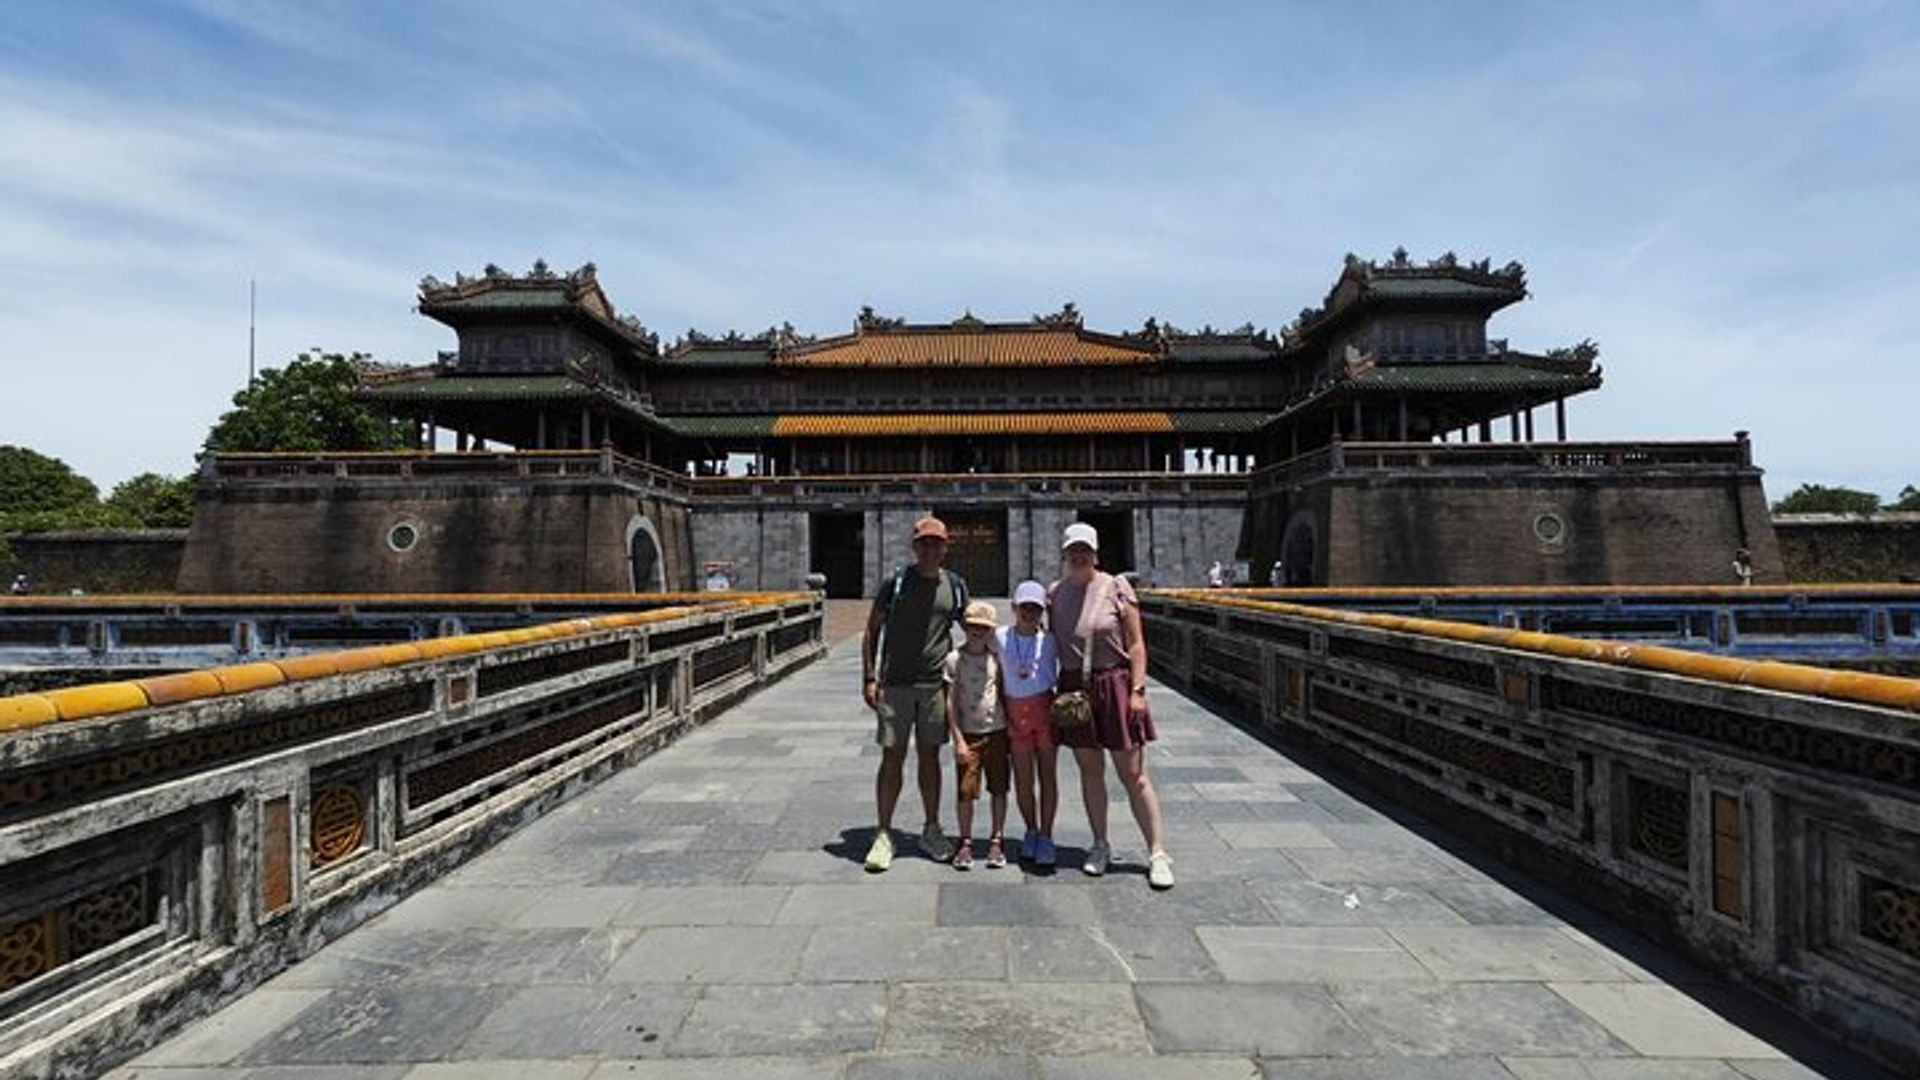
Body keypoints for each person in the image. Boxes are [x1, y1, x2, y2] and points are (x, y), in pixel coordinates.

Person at [1050, 522, 1173, 890]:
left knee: (1133, 774)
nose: (1079, 556)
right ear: (1064, 554)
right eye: (1073, 550)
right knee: (1091, 771)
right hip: (1075, 689)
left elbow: (1136, 644)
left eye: (1085, 550)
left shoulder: (1116, 587)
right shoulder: (1054, 594)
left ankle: (1157, 853)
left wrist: (1138, 690)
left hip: (1116, 683)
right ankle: (1100, 844)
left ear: (1096, 553)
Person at [860, 515, 966, 871]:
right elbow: (872, 630)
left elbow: (974, 628)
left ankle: (931, 827)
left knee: (930, 758)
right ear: (914, 546)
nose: (930, 549)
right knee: (892, 758)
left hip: (934, 685)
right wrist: (870, 678)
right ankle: (884, 832)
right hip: (896, 685)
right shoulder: (897, 583)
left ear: (946, 548)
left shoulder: (954, 585)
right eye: (924, 543)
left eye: (936, 543)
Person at [999, 579, 1061, 867]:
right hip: (1016, 715)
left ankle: (1047, 834)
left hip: (1045, 713)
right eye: (1024, 607)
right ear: (1014, 608)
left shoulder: (1050, 640)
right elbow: (971, 631)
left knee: (1047, 776)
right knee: (1023, 780)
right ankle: (1031, 830)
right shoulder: (999, 637)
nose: (1029, 613)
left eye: (1035, 608)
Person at [945, 600, 1011, 870]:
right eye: (973, 626)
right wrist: (957, 738)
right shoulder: (954, 659)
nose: (978, 631)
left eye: (984, 628)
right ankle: (966, 841)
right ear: (965, 627)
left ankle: (997, 839)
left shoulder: (997, 658)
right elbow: (949, 702)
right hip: (969, 735)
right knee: (965, 792)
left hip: (997, 732)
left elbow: (1005, 693)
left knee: (999, 787)